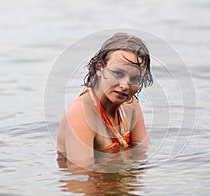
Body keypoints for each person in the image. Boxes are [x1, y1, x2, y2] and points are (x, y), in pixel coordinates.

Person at [56, 32, 153, 166]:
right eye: (118, 73)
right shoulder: (81, 115)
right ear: (99, 68)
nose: (125, 85)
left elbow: (142, 155)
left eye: (135, 79)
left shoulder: (130, 105)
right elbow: (79, 179)